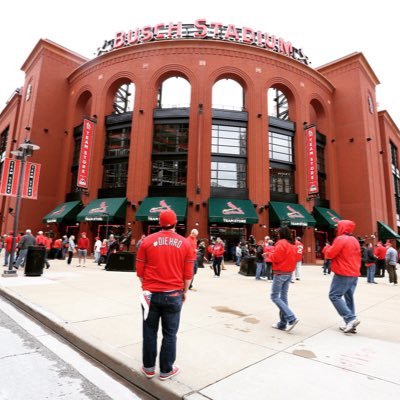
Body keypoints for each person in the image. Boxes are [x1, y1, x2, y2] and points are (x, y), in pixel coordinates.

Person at [136, 209, 194, 380]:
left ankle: (148, 368)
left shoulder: (146, 241)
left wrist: (146, 286)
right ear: (176, 223)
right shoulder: (185, 244)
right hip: (173, 293)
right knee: (170, 333)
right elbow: (188, 275)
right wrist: (184, 291)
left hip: (150, 294)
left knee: (149, 331)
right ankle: (166, 370)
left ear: (159, 223)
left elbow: (139, 272)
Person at [325, 220, 361, 333]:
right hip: (354, 273)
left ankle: (350, 319)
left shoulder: (340, 239)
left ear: (342, 228)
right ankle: (350, 323)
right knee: (349, 297)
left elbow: (330, 254)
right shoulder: (354, 240)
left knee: (334, 295)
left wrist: (326, 248)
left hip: (343, 272)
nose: (337, 229)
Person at [270, 226, 299, 331]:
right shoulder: (293, 244)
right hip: (289, 272)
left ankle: (291, 318)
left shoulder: (281, 243)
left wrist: (268, 255)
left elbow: (276, 258)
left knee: (274, 296)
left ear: (280, 234)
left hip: (280, 272)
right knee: (283, 297)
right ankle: (282, 323)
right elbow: (297, 258)